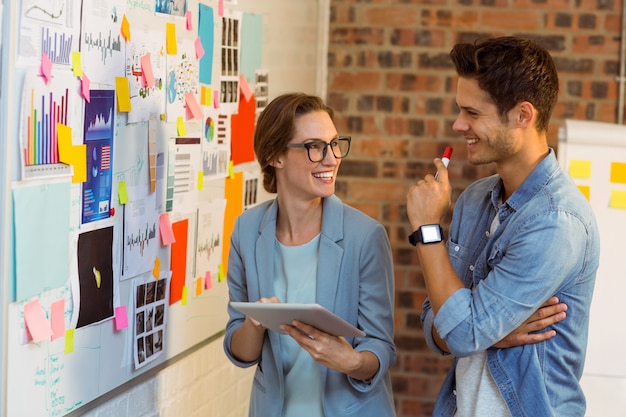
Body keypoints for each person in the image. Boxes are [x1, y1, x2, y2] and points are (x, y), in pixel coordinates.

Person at [406, 36, 600, 417]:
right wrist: (488, 333)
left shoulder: (556, 222)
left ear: (522, 115)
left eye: (472, 113)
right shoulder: (474, 200)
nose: (458, 124)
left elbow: (460, 332)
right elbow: (436, 319)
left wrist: (427, 229)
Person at [224, 93, 396, 417]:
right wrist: (254, 324)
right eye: (315, 147)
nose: (331, 159)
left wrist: (350, 360)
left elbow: (381, 348)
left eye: (334, 144)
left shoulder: (365, 237)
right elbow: (241, 352)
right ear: (276, 155)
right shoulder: (247, 231)